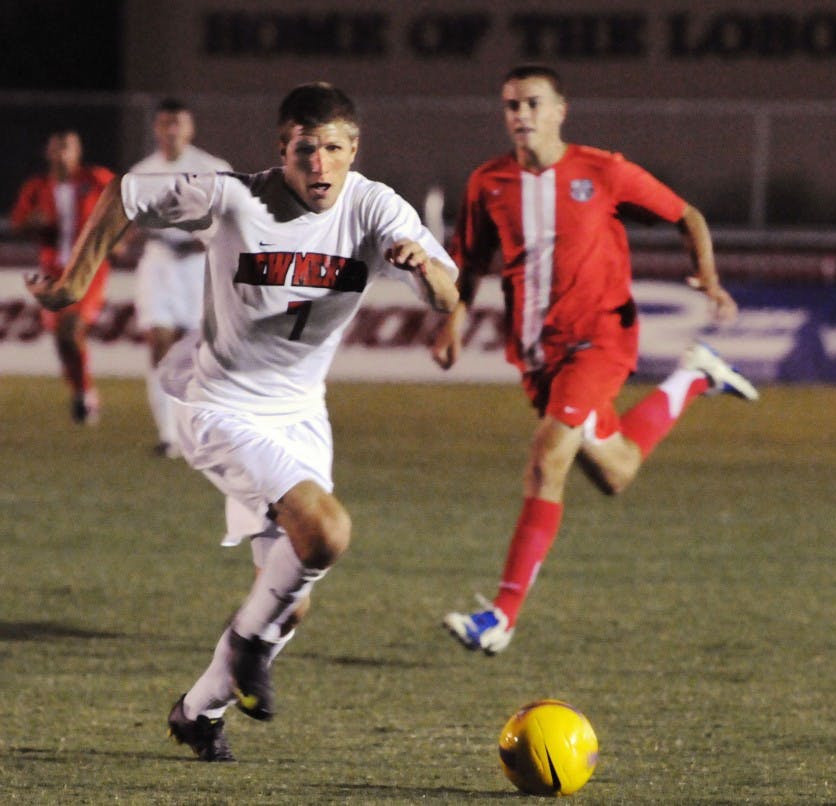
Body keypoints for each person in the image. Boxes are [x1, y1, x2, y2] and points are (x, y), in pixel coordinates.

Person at [27, 82, 459, 761]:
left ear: (355, 151)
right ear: (281, 150)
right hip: (220, 404)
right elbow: (127, 197)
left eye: (335, 150)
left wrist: (425, 268)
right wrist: (78, 278)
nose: (320, 164)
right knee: (327, 531)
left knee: (295, 594)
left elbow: (446, 293)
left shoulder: (375, 205)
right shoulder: (233, 195)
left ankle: (199, 710)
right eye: (305, 150)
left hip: (301, 415)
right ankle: (249, 646)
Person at [434, 64, 758, 656]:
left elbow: (688, 216)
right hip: (538, 356)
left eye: (533, 103)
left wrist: (708, 280)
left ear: (560, 111)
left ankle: (500, 618)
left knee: (546, 457)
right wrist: (453, 322)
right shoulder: (488, 182)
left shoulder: (601, 170)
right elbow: (470, 263)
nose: (521, 115)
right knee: (616, 471)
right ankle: (693, 376)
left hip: (600, 339)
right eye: (511, 106)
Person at [129, 98, 232, 457]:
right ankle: (168, 433)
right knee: (159, 342)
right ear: (156, 128)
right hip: (159, 260)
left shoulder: (212, 168)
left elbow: (232, 218)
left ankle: (201, 429)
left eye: (178, 123)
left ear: (189, 128)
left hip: (198, 264)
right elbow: (130, 221)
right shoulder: (142, 172)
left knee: (196, 351)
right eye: (164, 123)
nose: (171, 131)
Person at [11, 130, 116, 424]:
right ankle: (83, 391)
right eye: (57, 148)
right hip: (52, 272)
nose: (62, 154)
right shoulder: (36, 187)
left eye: (67, 148)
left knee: (70, 329)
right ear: (48, 152)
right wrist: (32, 222)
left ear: (78, 151)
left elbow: (127, 206)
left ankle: (84, 396)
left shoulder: (96, 179)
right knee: (61, 339)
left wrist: (119, 239)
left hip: (89, 269)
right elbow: (18, 222)